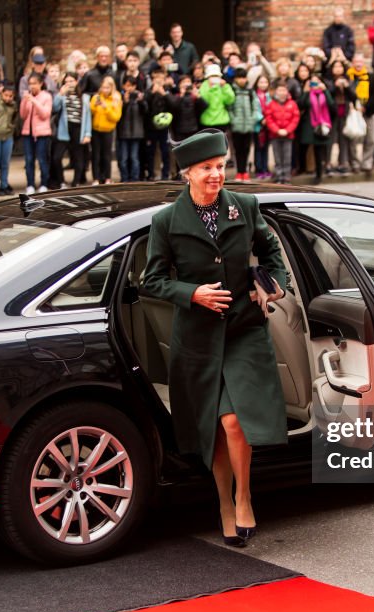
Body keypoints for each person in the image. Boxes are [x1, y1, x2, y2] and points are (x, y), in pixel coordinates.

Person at [143, 129, 288, 548]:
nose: (216, 175)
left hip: (244, 330)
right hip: (198, 339)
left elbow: (272, 255)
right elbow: (152, 280)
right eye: (207, 168)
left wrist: (269, 284)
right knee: (216, 429)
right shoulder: (166, 222)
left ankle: (243, 496)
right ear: (187, 173)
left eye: (220, 166)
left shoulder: (245, 206)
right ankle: (223, 502)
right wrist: (192, 293)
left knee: (235, 422)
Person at [52, 72, 92, 187]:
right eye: (66, 82)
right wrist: (60, 95)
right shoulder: (62, 95)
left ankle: (76, 182)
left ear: (76, 81)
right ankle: (61, 181)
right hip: (64, 128)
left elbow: (87, 117)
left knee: (78, 157)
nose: (69, 84)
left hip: (78, 128)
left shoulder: (84, 97)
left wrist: (87, 134)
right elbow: (54, 108)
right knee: (57, 157)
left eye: (71, 81)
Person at [297, 74, 335, 184]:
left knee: (319, 152)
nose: (314, 85)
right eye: (312, 82)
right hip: (309, 126)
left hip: (322, 126)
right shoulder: (308, 93)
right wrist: (306, 91)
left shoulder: (324, 93)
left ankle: (319, 175)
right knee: (303, 148)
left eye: (317, 82)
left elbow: (332, 106)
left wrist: (326, 91)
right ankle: (301, 169)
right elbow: (301, 105)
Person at [20, 72, 53, 194]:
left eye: (34, 83)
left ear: (40, 84)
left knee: (42, 159)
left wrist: (34, 101)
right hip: (28, 132)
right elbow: (23, 115)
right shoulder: (27, 96)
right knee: (29, 159)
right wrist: (24, 101)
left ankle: (44, 183)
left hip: (42, 133)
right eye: (30, 84)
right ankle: (30, 184)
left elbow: (45, 114)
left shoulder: (46, 96)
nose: (32, 86)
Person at [264, 82, 299, 183]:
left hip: (288, 135)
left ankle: (286, 177)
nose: (282, 92)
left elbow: (295, 118)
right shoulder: (271, 104)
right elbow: (269, 118)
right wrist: (277, 130)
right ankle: (279, 176)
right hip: (275, 135)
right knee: (277, 157)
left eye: (284, 90)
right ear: (276, 92)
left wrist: (287, 130)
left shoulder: (292, 104)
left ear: (287, 91)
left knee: (287, 157)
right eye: (280, 90)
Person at [89, 76, 122, 185]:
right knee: (95, 155)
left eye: (107, 88)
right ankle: (96, 179)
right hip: (96, 129)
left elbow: (116, 117)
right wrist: (95, 105)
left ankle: (107, 178)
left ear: (111, 88)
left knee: (106, 155)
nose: (105, 90)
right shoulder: (96, 97)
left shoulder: (116, 99)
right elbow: (91, 111)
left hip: (108, 130)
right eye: (103, 87)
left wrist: (105, 108)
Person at [325, 59, 354, 175]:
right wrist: (335, 87)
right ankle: (327, 162)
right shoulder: (328, 81)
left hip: (344, 112)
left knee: (343, 139)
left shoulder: (348, 80)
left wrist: (346, 87)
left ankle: (342, 162)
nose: (338, 69)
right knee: (330, 139)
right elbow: (328, 96)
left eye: (340, 67)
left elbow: (353, 97)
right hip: (332, 113)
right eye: (335, 67)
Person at [116, 76, 147, 182]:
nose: (130, 88)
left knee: (134, 158)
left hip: (136, 133)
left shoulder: (139, 96)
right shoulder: (120, 96)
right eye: (128, 85)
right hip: (123, 133)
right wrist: (125, 102)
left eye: (132, 85)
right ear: (124, 85)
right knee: (124, 158)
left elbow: (145, 112)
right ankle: (124, 178)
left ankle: (135, 179)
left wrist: (141, 101)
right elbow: (118, 115)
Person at [144, 69, 172, 181]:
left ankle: (166, 174)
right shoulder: (148, 91)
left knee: (165, 151)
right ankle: (151, 174)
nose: (159, 81)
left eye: (161, 78)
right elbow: (145, 107)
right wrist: (151, 94)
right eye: (156, 78)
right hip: (151, 127)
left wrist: (164, 95)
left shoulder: (167, 91)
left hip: (165, 127)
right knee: (151, 151)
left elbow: (173, 105)